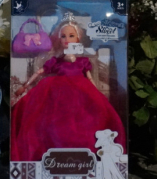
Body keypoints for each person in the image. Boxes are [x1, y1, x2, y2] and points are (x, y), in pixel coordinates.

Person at [11, 13, 125, 162]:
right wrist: (25, 86)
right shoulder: (56, 60)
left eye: (71, 36)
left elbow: (89, 78)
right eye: (63, 36)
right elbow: (40, 72)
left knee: (87, 119)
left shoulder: (82, 61)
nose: (67, 39)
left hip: (80, 89)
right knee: (49, 121)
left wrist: (96, 93)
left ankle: (87, 155)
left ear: (78, 38)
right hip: (57, 90)